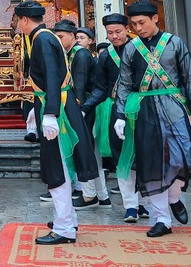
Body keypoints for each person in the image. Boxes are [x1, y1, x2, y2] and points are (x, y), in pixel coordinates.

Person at [114, 0, 191, 238]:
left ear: (155, 18)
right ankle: (162, 219)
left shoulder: (175, 43)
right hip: (144, 111)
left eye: (142, 22)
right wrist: (120, 115)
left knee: (184, 157)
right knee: (152, 164)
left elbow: (190, 77)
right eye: (133, 24)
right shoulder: (131, 49)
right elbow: (123, 84)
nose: (138, 28)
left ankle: (174, 197)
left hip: (174, 106)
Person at [16, 1, 98, 246]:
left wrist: (50, 113)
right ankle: (67, 219)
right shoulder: (46, 38)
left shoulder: (41, 39)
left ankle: (64, 227)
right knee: (59, 163)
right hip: (56, 104)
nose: (17, 25)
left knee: (58, 165)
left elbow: (52, 77)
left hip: (58, 109)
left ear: (24, 20)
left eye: (17, 20)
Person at [82, 13, 149, 223]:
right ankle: (130, 206)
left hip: (140, 110)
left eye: (118, 32)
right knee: (122, 160)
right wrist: (86, 107)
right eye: (110, 33)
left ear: (127, 29)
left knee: (144, 158)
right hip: (115, 112)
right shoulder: (106, 56)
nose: (114, 36)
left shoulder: (141, 50)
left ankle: (144, 204)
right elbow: (101, 88)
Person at [52, 20, 107, 210]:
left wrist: (79, 111)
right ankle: (101, 195)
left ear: (72, 37)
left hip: (85, 107)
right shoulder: (71, 54)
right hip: (83, 106)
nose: (58, 41)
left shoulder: (80, 54)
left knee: (84, 150)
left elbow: (80, 87)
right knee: (91, 152)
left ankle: (89, 194)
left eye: (60, 37)